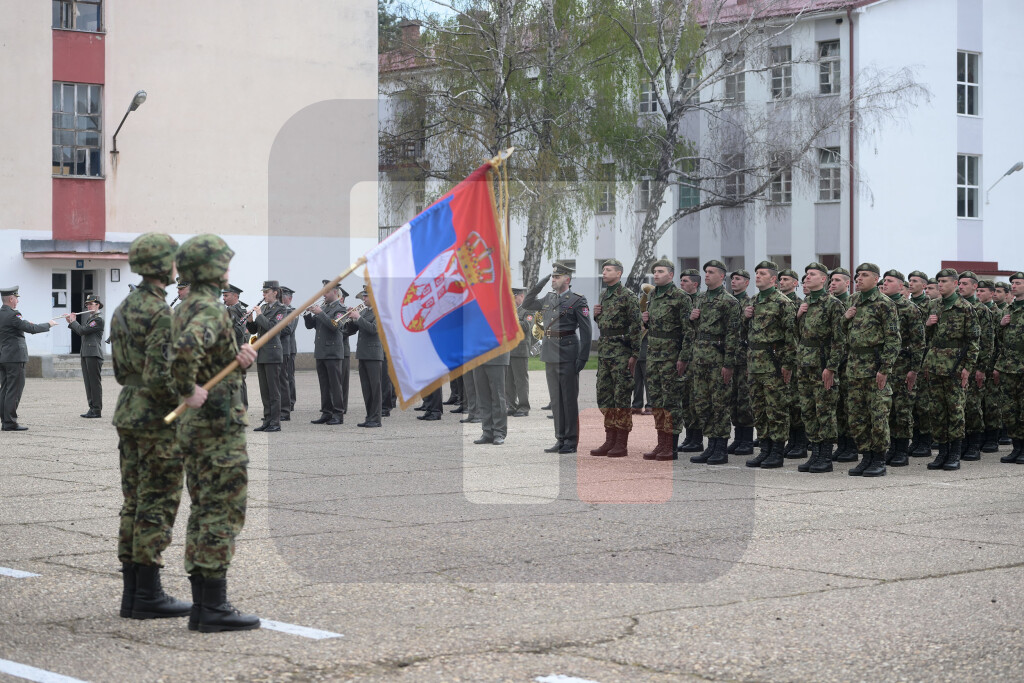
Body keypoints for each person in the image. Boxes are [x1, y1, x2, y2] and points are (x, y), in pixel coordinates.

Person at [170, 233, 259, 633]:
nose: (228, 271)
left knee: (205, 508)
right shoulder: (207, 308)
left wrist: (238, 360)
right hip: (216, 428)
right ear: (209, 269)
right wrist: (187, 389)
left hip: (202, 427)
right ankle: (212, 607)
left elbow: (205, 357)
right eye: (223, 264)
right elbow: (184, 353)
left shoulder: (188, 305)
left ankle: (205, 602)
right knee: (221, 509)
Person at [110, 233, 191, 621]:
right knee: (157, 503)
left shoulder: (125, 306)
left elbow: (122, 369)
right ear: (164, 266)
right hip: (156, 418)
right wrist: (188, 394)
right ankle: (148, 594)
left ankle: (132, 593)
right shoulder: (160, 312)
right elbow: (161, 374)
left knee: (134, 502)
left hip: (129, 408)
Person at [521, 262, 592, 454]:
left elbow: (586, 332)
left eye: (556, 277)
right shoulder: (549, 297)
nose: (553, 280)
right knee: (556, 399)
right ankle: (560, 438)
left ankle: (571, 440)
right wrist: (542, 281)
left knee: (568, 399)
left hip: (568, 352)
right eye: (552, 277)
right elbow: (527, 303)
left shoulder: (577, 300)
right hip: (550, 352)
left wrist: (582, 358)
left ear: (567, 280)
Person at [842, 263, 900, 477]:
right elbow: (843, 334)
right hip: (855, 367)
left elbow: (894, 340)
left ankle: (878, 459)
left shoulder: (884, 304)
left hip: (874, 367)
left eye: (864, 275)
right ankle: (865, 457)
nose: (858, 278)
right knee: (857, 417)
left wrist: (885, 369)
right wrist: (845, 318)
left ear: (876, 280)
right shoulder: (853, 300)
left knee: (878, 416)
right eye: (857, 275)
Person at [920, 268, 979, 471]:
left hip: (955, 367)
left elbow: (973, 342)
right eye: (939, 281)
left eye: (944, 281)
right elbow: (925, 338)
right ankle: (942, 453)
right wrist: (928, 325)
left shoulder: (964, 308)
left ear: (955, 284)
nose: (940, 285)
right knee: (937, 412)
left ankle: (954, 453)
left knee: (955, 411)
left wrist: (967, 369)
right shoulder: (934, 305)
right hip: (935, 366)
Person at [793, 262, 847, 473]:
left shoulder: (833, 304)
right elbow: (798, 336)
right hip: (805, 365)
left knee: (824, 411)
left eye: (812, 274)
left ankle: (825, 455)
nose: (807, 277)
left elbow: (839, 339)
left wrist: (831, 367)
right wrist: (798, 316)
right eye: (806, 274)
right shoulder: (806, 303)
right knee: (808, 411)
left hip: (822, 366)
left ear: (824, 279)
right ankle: (815, 452)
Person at [743, 261, 796, 468]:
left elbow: (792, 338)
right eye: (756, 273)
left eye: (762, 273)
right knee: (759, 409)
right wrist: (745, 318)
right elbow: (746, 334)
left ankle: (777, 451)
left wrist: (788, 365)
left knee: (776, 409)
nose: (757, 276)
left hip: (773, 365)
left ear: (773, 279)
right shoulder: (754, 301)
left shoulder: (783, 303)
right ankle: (764, 449)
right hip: (755, 364)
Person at [637, 260, 691, 460]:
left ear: (671, 274)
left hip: (671, 356)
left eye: (660, 271)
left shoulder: (680, 297)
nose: (656, 275)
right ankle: (661, 442)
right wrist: (646, 321)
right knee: (657, 402)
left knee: (671, 402)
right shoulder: (653, 295)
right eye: (654, 272)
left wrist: (683, 358)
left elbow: (688, 331)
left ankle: (671, 446)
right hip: (654, 356)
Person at [687, 260, 740, 464]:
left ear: (721, 276)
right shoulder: (700, 299)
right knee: (702, 403)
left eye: (710, 272)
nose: (706, 275)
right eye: (705, 272)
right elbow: (694, 331)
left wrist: (728, 364)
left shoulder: (729, 302)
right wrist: (692, 320)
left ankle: (721, 447)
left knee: (720, 404)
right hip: (700, 358)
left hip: (718, 359)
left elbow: (733, 335)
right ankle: (710, 444)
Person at [590, 259, 641, 458]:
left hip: (621, 352)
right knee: (604, 396)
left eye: (608, 269)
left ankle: (621, 442)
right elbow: (604, 322)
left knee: (621, 397)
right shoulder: (604, 295)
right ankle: (609, 439)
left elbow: (636, 326)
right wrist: (596, 316)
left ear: (619, 273)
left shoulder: (627, 296)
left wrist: (635, 354)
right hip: (605, 352)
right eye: (603, 269)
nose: (604, 272)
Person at [879, 269, 924, 468]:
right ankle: (891, 448)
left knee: (902, 409)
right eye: (884, 281)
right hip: (884, 366)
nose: (885, 284)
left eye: (890, 281)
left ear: (900, 285)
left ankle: (902, 450)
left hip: (903, 365)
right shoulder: (880, 305)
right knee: (886, 409)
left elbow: (918, 342)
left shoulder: (910, 308)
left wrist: (914, 370)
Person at [0, 286, 58, 431]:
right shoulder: (14, 315)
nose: (17, 302)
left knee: (5, 389)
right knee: (14, 390)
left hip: (4, 356)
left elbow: (14, 328)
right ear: (11, 299)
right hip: (15, 357)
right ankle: (10, 423)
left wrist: (24, 325)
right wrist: (49, 325)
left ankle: (5, 420)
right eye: (16, 298)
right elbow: (31, 329)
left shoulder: (2, 314)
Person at [956, 271, 994, 461]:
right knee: (958, 407)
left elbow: (987, 342)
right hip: (955, 365)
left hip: (974, 366)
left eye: (964, 284)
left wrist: (981, 368)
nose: (960, 287)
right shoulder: (956, 307)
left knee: (972, 406)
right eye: (959, 283)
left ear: (974, 287)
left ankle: (974, 445)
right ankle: (961, 442)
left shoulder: (982, 310)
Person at [246, 280, 287, 432]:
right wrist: (250, 321)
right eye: (263, 292)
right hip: (262, 353)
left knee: (273, 390)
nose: (263, 295)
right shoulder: (263, 308)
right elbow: (254, 330)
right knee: (264, 390)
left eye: (266, 292)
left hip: (273, 352)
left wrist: (259, 315)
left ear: (275, 292)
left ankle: (275, 422)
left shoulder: (282, 309)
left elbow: (272, 328)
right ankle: (267, 420)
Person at [304, 281, 346, 425]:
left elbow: (335, 326)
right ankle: (326, 412)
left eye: (326, 291)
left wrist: (320, 313)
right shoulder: (323, 307)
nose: (324, 294)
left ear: (335, 291)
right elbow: (312, 326)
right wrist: (307, 314)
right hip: (321, 351)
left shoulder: (341, 308)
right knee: (324, 385)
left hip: (333, 352)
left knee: (335, 385)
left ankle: (338, 414)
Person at [343, 287, 384, 428]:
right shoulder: (365, 311)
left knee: (375, 388)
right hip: (363, 354)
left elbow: (373, 329)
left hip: (373, 355)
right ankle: (369, 416)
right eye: (363, 297)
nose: (363, 299)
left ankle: (376, 418)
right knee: (366, 389)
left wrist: (358, 318)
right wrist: (350, 320)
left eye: (366, 296)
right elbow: (351, 331)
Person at [828, 267, 857, 462]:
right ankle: (843, 443)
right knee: (837, 406)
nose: (832, 283)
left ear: (847, 283)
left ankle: (852, 446)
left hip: (849, 362)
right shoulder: (828, 303)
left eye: (837, 280)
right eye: (831, 280)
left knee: (849, 406)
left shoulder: (852, 303)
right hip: (833, 360)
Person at [995, 271, 1024, 463]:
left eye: (1018, 283)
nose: (1013, 285)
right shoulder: (1009, 308)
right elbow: (1000, 340)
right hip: (1008, 366)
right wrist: (1001, 325)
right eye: (1012, 283)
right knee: (1010, 409)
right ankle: (1017, 448)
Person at [728, 269, 755, 455]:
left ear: (746, 283)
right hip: (731, 357)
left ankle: (747, 440)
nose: (734, 282)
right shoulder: (729, 302)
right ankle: (737, 438)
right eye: (733, 279)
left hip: (745, 358)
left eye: (738, 279)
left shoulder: (750, 303)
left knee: (745, 400)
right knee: (733, 400)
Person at [676, 268, 702, 453]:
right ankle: (689, 435)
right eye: (681, 280)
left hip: (697, 355)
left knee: (695, 398)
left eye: (685, 281)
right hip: (681, 353)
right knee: (684, 398)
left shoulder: (700, 301)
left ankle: (697, 438)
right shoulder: (679, 301)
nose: (682, 284)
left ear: (695, 284)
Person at [67, 294, 105, 418]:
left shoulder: (98, 319)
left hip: (93, 354)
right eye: (87, 304)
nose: (88, 306)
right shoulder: (91, 319)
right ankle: (92, 408)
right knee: (88, 383)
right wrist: (71, 322)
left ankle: (97, 409)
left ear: (97, 305)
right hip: (86, 353)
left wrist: (73, 321)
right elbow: (82, 331)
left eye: (91, 304)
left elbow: (83, 331)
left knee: (94, 383)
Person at [977, 280, 1003, 452]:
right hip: (978, 362)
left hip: (993, 363)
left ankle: (992, 438)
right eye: (977, 290)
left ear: (992, 293)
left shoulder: (998, 313)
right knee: (978, 402)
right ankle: (980, 436)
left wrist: (998, 365)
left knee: (992, 402)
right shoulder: (974, 310)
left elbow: (1001, 343)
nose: (978, 293)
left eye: (982, 291)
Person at [222, 284, 249, 407]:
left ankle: (242, 407)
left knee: (239, 380)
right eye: (223, 295)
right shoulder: (228, 310)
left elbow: (239, 332)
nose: (224, 298)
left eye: (226, 295)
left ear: (235, 296)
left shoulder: (239, 310)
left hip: (237, 350)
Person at [506, 288, 532, 417]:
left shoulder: (527, 310)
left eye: (513, 296)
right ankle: (511, 405)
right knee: (509, 380)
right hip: (508, 350)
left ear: (521, 296)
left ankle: (523, 406)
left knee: (521, 380)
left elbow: (527, 326)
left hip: (520, 350)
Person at [474, 351, 509, 444]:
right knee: (483, 398)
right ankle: (487, 431)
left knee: (498, 396)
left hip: (497, 355)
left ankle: (499, 432)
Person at [278, 286, 298, 421]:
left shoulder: (292, 311)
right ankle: (282, 403)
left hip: (288, 349)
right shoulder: (279, 311)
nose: (281, 299)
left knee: (288, 376)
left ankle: (290, 402)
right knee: (281, 378)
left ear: (290, 298)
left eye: (283, 297)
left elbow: (288, 330)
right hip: (279, 348)